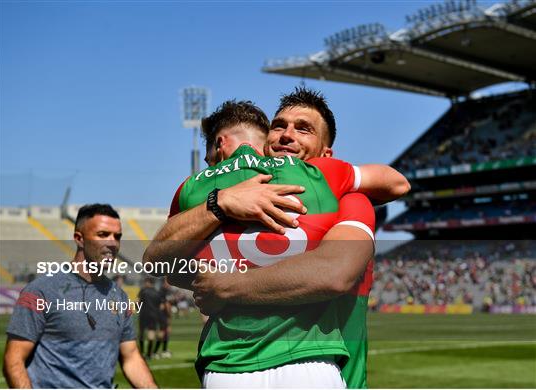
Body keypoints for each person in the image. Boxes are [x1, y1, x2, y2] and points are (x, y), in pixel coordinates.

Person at [144, 89, 409, 387]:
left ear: (326, 153)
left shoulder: (352, 201)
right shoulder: (233, 197)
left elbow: (335, 272)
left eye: (304, 129)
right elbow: (167, 267)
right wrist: (221, 203)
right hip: (288, 365)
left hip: (335, 371)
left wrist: (227, 285)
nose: (286, 135)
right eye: (279, 126)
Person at [4, 204, 157, 389]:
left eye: (117, 236)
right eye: (103, 235)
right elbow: (14, 360)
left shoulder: (120, 297)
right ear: (79, 238)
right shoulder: (41, 290)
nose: (112, 242)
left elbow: (131, 357)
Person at [138, 277, 161, 360]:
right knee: (151, 334)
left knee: (141, 333)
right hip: (154, 315)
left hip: (144, 314)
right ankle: (149, 354)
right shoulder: (157, 292)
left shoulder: (143, 291)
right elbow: (160, 306)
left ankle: (142, 353)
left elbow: (138, 303)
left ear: (148, 282)